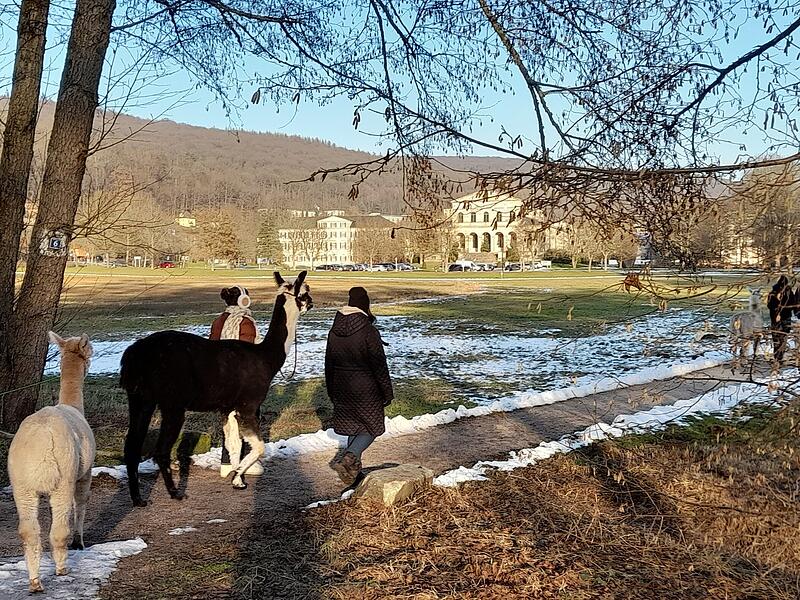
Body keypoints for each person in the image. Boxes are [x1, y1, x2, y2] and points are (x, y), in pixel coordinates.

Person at [325, 286, 393, 487]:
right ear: (365, 305)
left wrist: (331, 389)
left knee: (355, 427)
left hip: (341, 386)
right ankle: (349, 458)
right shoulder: (368, 331)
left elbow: (328, 363)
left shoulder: (334, 330)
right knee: (372, 427)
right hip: (366, 388)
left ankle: (353, 475)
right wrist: (387, 392)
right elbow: (379, 365)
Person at [210, 285, 263, 477]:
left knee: (228, 419)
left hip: (221, 379)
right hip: (243, 381)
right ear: (244, 301)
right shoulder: (246, 322)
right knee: (248, 419)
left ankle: (226, 461)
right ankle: (247, 461)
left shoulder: (218, 321)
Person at [767, 275, 795, 365]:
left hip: (775, 318)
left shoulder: (773, 293)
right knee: (783, 338)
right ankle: (779, 357)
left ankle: (777, 357)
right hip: (785, 318)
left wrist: (776, 311)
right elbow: (792, 305)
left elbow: (769, 305)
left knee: (776, 338)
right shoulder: (788, 293)